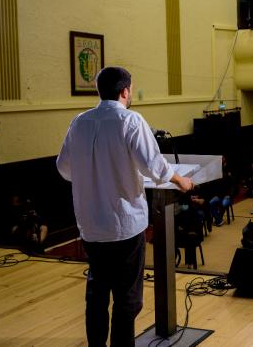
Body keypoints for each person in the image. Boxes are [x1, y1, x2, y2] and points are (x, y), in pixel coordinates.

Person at [56, 66, 194, 347]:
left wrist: (92, 175)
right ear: (125, 91)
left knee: (96, 294)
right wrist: (182, 181)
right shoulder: (130, 120)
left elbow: (64, 168)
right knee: (127, 299)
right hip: (124, 226)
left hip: (91, 226)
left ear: (98, 90)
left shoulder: (79, 122)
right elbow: (154, 166)